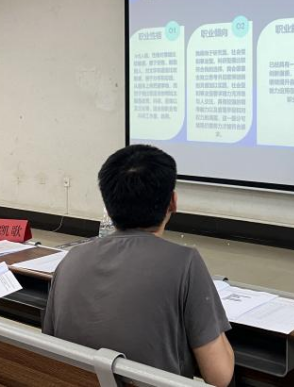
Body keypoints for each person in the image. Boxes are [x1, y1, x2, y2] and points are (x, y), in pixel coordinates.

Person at [43, 144, 234, 387]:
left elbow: (51, 348)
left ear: (108, 206)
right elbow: (219, 376)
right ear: (173, 202)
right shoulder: (185, 263)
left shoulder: (71, 259)